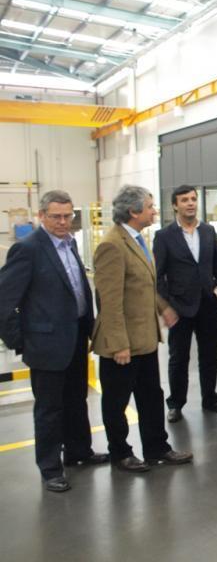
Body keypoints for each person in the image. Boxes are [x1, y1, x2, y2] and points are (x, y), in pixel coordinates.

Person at [0, 190, 107, 492]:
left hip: (75, 338)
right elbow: (4, 300)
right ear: (41, 216)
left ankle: (79, 452)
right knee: (49, 410)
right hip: (45, 344)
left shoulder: (69, 243)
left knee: (76, 400)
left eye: (67, 216)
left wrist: (88, 329)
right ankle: (50, 468)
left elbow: (76, 288)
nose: (63, 222)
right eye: (56, 217)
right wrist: (20, 341)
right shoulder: (28, 249)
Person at [92, 185, 193, 472]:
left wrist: (163, 308)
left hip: (145, 339)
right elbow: (110, 302)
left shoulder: (137, 239)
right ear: (134, 211)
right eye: (150, 206)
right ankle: (121, 453)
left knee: (151, 396)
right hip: (122, 344)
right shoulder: (112, 245)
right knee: (117, 402)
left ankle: (157, 448)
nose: (154, 211)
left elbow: (143, 285)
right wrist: (118, 344)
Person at [153, 185, 217, 423]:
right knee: (178, 358)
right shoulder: (164, 236)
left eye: (193, 199)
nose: (190, 203)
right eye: (184, 200)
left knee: (210, 355)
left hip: (207, 305)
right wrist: (166, 306)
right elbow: (158, 275)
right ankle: (176, 403)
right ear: (175, 205)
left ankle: (210, 398)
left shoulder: (208, 231)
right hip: (179, 308)